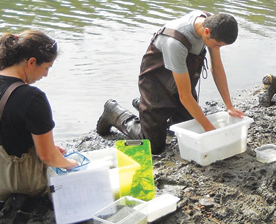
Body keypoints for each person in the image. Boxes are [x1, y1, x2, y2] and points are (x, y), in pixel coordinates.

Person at [96, 11, 245, 155]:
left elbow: (217, 67)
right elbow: (185, 96)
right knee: (154, 146)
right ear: (207, 31)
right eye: (217, 45)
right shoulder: (176, 42)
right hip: (156, 83)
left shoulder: (213, 24)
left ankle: (145, 108)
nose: (217, 49)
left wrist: (229, 106)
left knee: (187, 127)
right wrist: (210, 131)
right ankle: (114, 112)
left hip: (182, 80)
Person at [0, 31, 77, 201]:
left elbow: (4, 131)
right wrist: (71, 164)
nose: (45, 74)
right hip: (16, 185)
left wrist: (46, 145)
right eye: (46, 67)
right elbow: (47, 156)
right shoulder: (32, 98)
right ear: (31, 62)